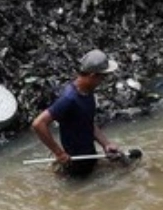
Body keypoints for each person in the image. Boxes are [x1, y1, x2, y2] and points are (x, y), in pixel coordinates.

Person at [32, 49, 122, 177]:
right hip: (74, 165)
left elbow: (87, 122)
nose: (103, 80)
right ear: (92, 76)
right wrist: (59, 153)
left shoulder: (87, 92)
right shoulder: (69, 99)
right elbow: (38, 124)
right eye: (102, 77)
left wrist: (106, 144)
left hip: (89, 157)